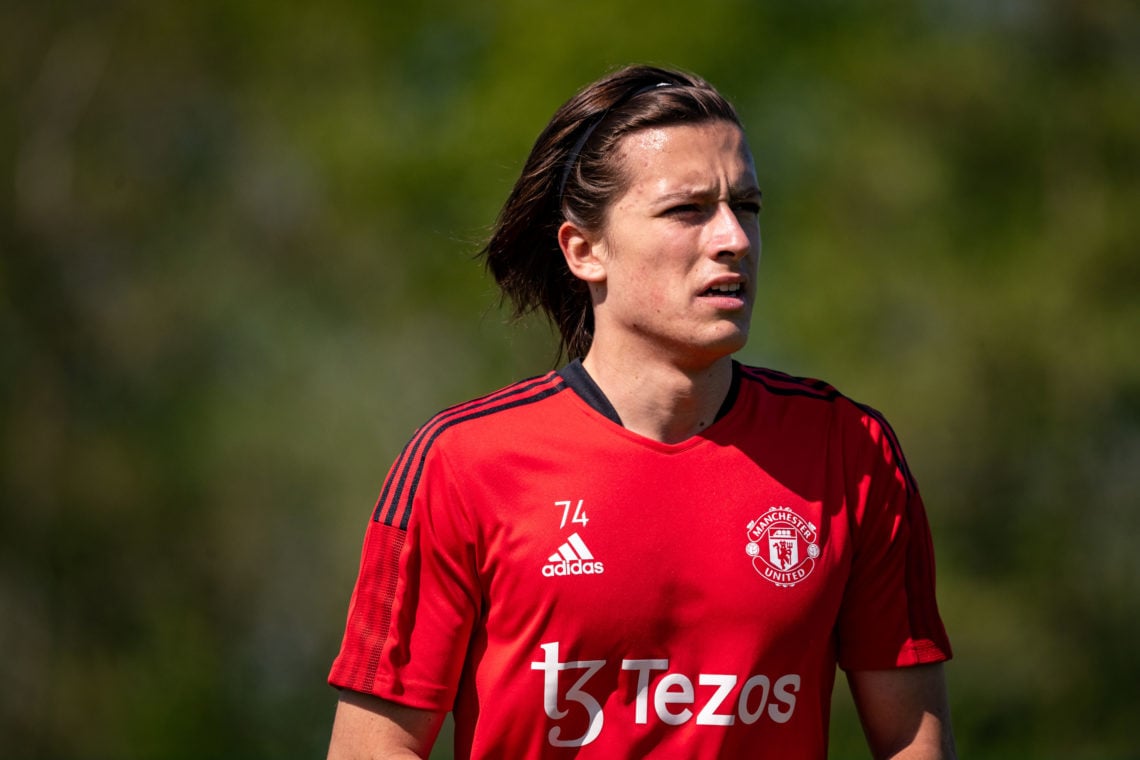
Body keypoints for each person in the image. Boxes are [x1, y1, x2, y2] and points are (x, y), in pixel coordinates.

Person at [326, 64, 956, 759]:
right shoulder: (462, 463)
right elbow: (375, 748)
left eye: (745, 206)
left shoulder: (849, 453)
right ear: (584, 250)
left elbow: (911, 742)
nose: (735, 239)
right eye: (688, 210)